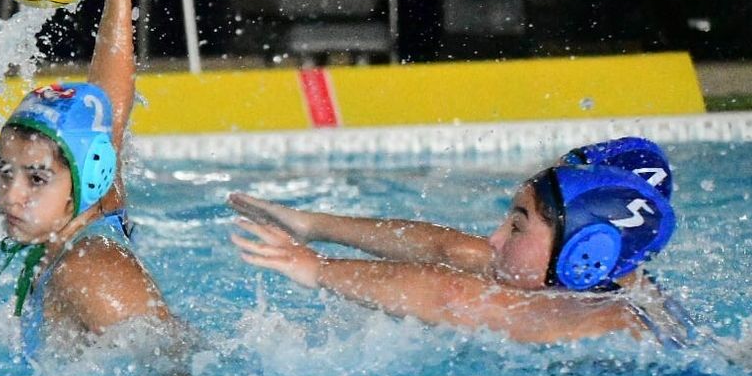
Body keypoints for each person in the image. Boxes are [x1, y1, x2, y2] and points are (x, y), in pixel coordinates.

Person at [229, 137, 690, 346]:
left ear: (585, 253)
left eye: (517, 224)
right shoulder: (607, 284)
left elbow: (450, 295)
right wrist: (311, 225)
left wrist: (315, 269)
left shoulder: (612, 324)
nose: (493, 238)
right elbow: (452, 253)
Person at [0, 0, 175, 360]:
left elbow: (181, 365)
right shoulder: (83, 212)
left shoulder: (91, 269)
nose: (11, 196)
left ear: (84, 180)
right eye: (5, 171)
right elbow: (109, 111)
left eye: (36, 178)